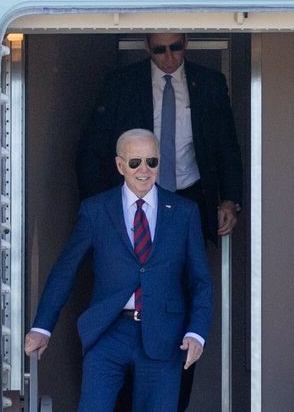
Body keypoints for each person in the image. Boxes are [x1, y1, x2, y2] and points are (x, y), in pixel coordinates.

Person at [25, 129, 212, 411]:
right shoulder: (96, 210)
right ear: (120, 165)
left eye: (152, 161)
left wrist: (197, 332)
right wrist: (42, 327)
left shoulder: (184, 212)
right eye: (135, 162)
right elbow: (66, 269)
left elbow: (200, 281)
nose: (145, 170)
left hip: (164, 334)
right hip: (108, 330)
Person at [76, 32, 243, 242]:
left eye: (175, 47)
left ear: (186, 42)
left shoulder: (210, 84)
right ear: (147, 46)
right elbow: (93, 148)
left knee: (188, 267)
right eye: (159, 49)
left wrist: (230, 199)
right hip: (134, 194)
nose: (168, 56)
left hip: (190, 193)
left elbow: (227, 146)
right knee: (138, 266)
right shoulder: (122, 83)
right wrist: (98, 208)